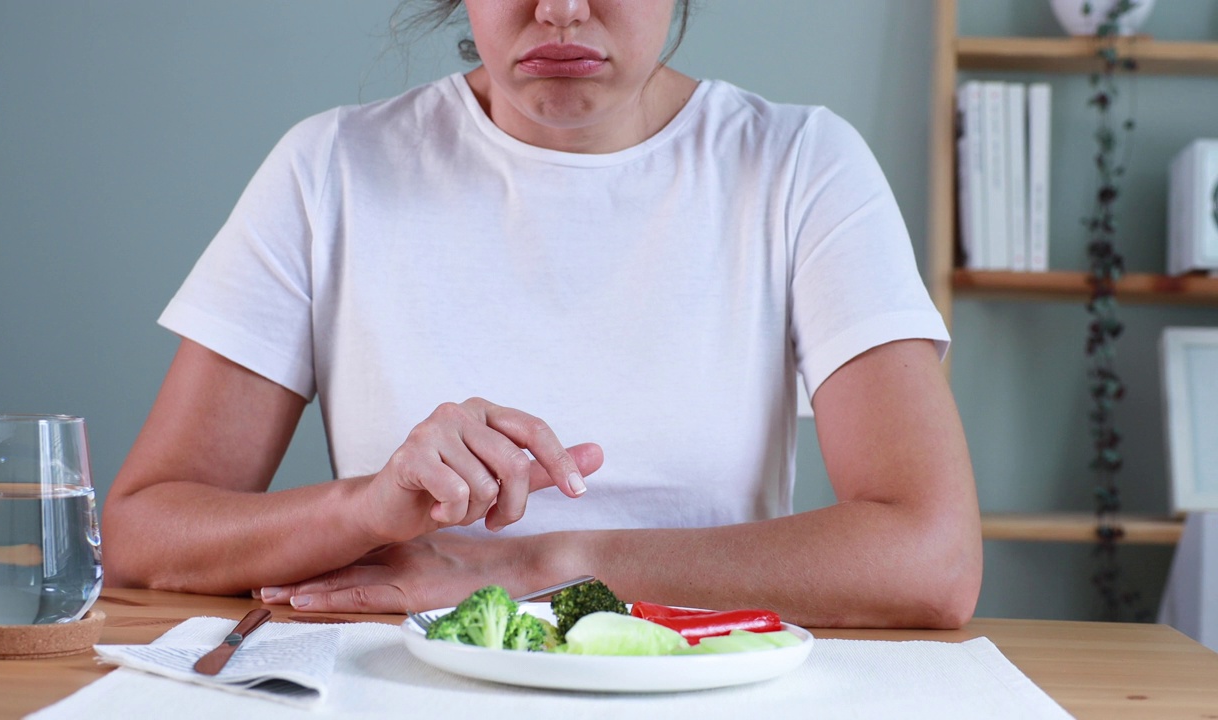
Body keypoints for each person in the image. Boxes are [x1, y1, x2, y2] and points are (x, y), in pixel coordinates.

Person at [101, 0, 982, 629]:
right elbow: (143, 531)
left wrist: (538, 564)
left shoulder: (800, 166)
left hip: (698, 690)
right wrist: (365, 510)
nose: (560, 10)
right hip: (416, 687)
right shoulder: (332, 167)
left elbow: (931, 559)